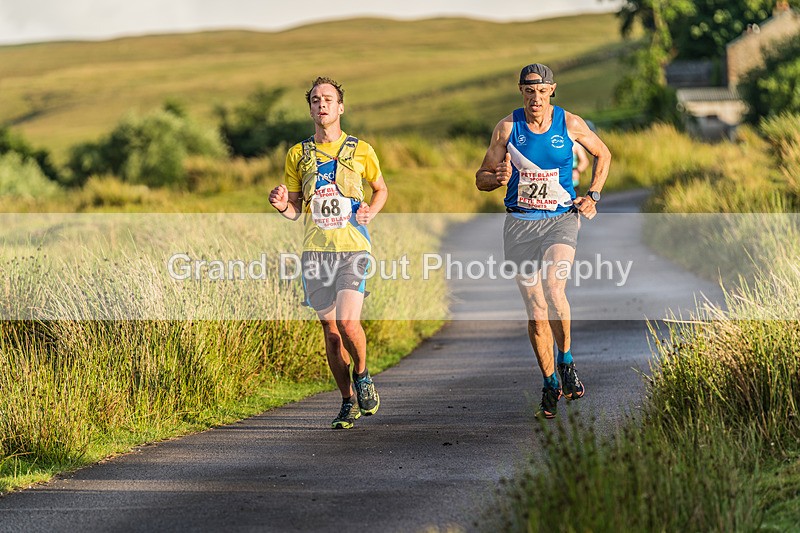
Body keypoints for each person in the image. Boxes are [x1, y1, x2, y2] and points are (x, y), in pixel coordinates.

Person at [475, 64, 611, 419]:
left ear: (552, 90)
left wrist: (593, 195)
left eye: (541, 91)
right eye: (529, 91)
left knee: (553, 288)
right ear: (521, 91)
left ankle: (566, 360)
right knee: (536, 313)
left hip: (560, 219)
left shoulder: (570, 123)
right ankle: (550, 381)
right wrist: (497, 177)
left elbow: (604, 153)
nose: (535, 98)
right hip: (519, 222)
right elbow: (481, 178)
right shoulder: (507, 128)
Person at [269, 76, 389, 429]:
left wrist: (370, 212)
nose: (321, 104)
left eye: (328, 99)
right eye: (315, 100)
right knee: (331, 332)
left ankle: (362, 375)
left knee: (348, 324)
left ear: (340, 107)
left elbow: (380, 189)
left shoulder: (361, 150)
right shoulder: (297, 154)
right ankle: (347, 401)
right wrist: (281, 205)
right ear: (310, 109)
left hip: (353, 248)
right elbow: (295, 210)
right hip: (315, 253)